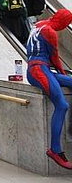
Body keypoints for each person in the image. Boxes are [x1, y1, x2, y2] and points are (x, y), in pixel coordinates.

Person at [26, 9, 72, 168]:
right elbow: (55, 58)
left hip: (37, 69)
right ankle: (55, 150)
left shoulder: (39, 25)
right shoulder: (50, 32)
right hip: (39, 70)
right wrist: (63, 73)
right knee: (62, 105)